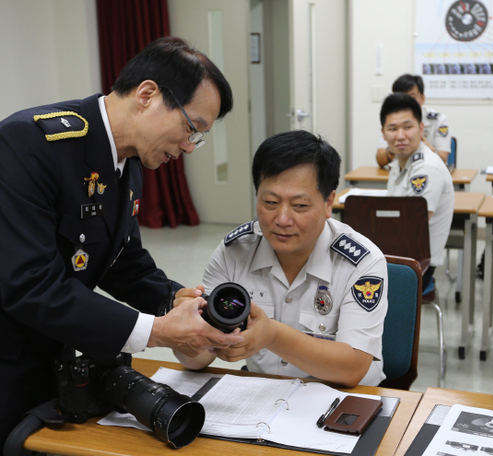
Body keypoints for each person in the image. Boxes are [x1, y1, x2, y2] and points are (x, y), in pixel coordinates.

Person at [0, 37, 244, 451]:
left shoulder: (128, 160)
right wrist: (159, 332)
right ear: (148, 95)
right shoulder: (28, 145)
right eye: (191, 127)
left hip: (60, 354)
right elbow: (29, 284)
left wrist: (177, 300)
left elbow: (122, 261)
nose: (189, 146)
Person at [175, 130, 388, 387]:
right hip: (261, 396)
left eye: (299, 206)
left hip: (341, 399)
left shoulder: (361, 261)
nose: (282, 219)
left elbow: (353, 369)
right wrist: (186, 329)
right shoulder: (235, 250)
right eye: (270, 202)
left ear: (329, 202)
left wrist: (272, 336)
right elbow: (196, 361)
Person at [380, 92, 454, 289]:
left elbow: (410, 228)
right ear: (383, 132)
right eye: (392, 129)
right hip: (397, 253)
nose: (400, 136)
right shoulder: (399, 162)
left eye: (408, 127)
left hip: (416, 265)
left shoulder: (427, 168)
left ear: (421, 128)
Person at [376, 73, 451, 167]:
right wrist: (394, 148)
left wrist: (424, 146)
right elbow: (380, 160)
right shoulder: (392, 121)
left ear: (422, 98)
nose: (406, 102)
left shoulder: (438, 119)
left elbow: (443, 159)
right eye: (401, 97)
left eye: (412, 97)